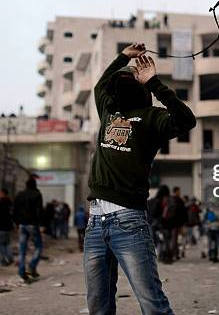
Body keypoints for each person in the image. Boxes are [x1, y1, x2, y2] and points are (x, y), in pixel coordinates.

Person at [84, 43, 195, 315]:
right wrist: (123, 56)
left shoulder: (152, 118)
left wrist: (154, 83)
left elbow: (186, 120)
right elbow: (102, 85)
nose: (128, 76)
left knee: (152, 304)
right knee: (98, 307)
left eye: (134, 75)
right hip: (95, 224)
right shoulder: (109, 111)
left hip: (129, 222)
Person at [13, 176, 45, 282]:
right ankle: (31, 266)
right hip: (32, 224)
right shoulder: (37, 194)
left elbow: (15, 210)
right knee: (38, 247)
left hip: (22, 224)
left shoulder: (19, 195)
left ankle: (22, 271)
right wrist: (42, 224)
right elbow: (39, 210)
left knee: (22, 249)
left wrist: (16, 223)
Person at [147, 185, 169, 256]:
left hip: (148, 222)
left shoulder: (151, 200)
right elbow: (159, 215)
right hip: (156, 223)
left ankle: (155, 253)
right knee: (160, 238)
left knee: (153, 239)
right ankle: (159, 253)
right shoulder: (160, 202)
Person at [0, 188, 14, 266]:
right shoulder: (10, 203)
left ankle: (4, 260)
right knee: (7, 243)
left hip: (1, 226)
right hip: (8, 226)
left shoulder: (0, 203)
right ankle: (10, 258)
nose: (0, 194)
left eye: (0, 193)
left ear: (3, 194)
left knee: (0, 244)